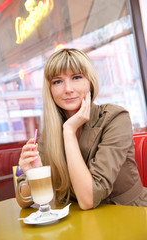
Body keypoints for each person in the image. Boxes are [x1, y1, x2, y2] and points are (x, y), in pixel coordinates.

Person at [16, 48, 147, 210]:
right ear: (50, 90)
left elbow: (88, 199)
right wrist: (29, 174)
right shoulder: (49, 134)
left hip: (129, 213)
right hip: (81, 220)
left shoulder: (115, 118)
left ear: (90, 82)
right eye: (57, 81)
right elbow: (24, 201)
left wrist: (69, 131)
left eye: (76, 77)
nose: (68, 89)